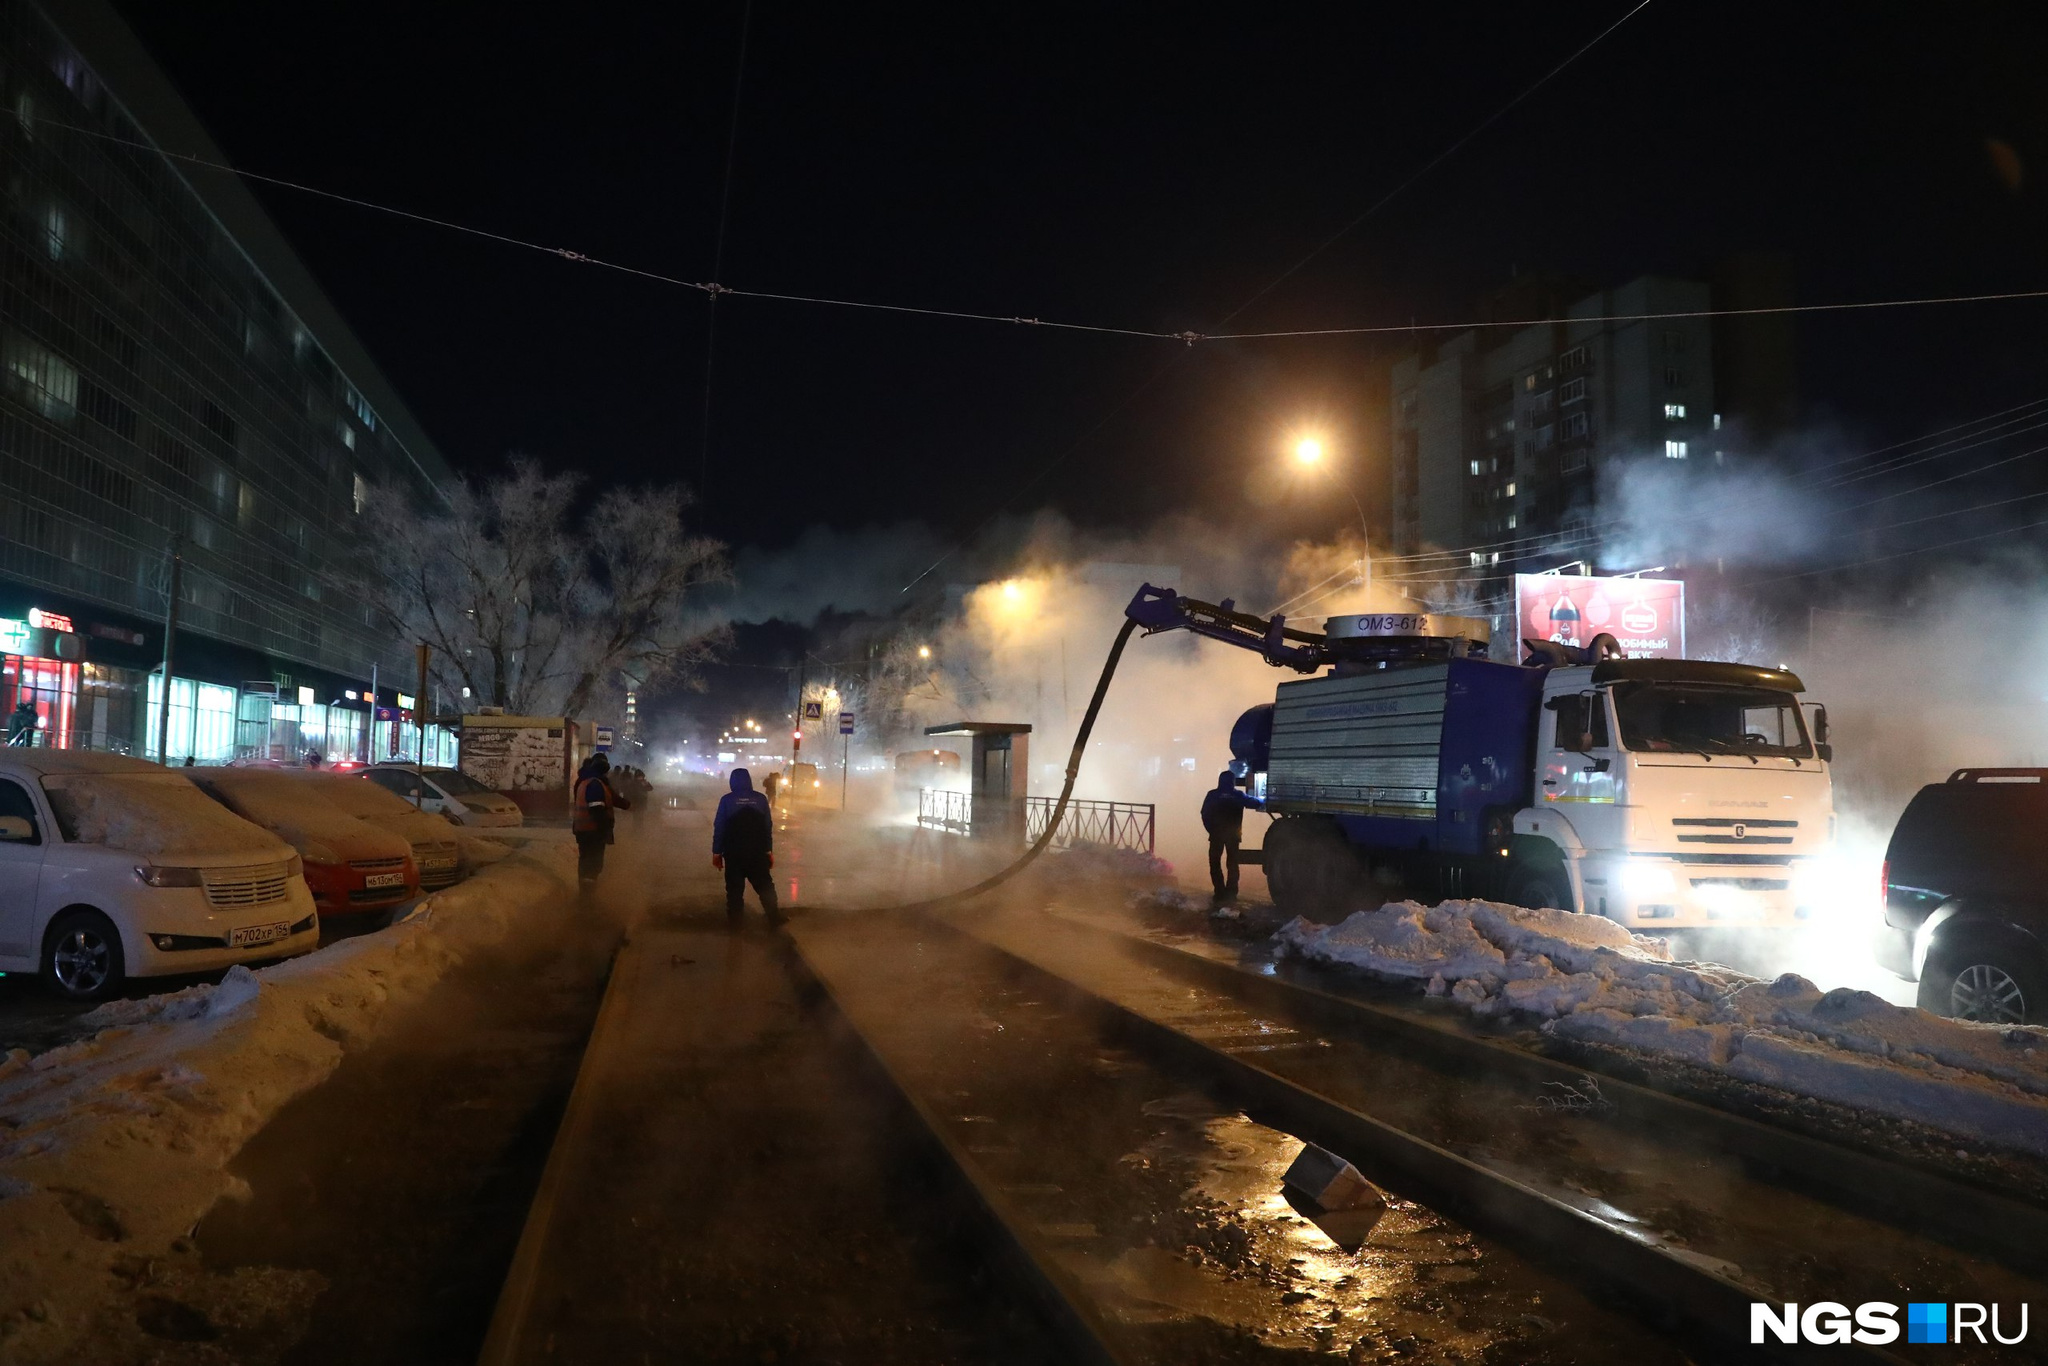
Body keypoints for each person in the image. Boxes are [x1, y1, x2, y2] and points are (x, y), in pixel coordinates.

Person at [712, 768, 780, 926]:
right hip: (757, 853)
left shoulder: (727, 800)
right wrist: (768, 850)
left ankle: (736, 923)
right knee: (765, 887)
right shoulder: (761, 799)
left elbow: (720, 827)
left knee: (734, 890)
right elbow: (767, 827)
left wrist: (717, 852)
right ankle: (774, 918)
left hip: (733, 853)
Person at [572, 753, 631, 886]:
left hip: (582, 828)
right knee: (593, 863)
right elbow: (596, 808)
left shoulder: (585, 781)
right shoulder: (595, 783)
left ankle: (584, 894)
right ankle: (588, 898)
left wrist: (627, 805)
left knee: (586, 861)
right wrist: (604, 830)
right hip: (593, 830)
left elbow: (611, 797)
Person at [1200, 770, 1257, 901]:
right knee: (1232, 864)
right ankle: (1231, 892)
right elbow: (1253, 802)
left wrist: (1210, 830)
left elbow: (1204, 813)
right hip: (1233, 836)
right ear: (1233, 782)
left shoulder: (1212, 795)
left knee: (1214, 863)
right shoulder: (1238, 795)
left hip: (1216, 835)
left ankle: (1219, 891)